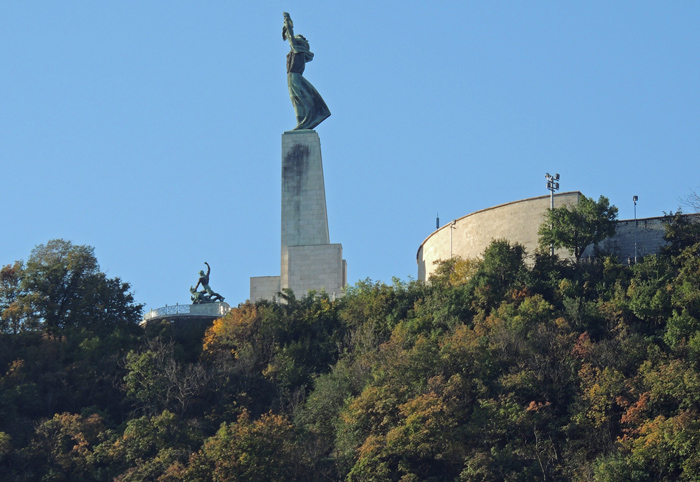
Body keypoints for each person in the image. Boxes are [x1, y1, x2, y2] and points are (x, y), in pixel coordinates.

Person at [282, 12, 331, 130]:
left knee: (298, 99)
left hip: (295, 77)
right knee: (296, 100)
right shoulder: (296, 50)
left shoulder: (298, 49)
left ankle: (303, 122)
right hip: (292, 77)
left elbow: (291, 38)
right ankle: (302, 123)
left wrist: (288, 24)